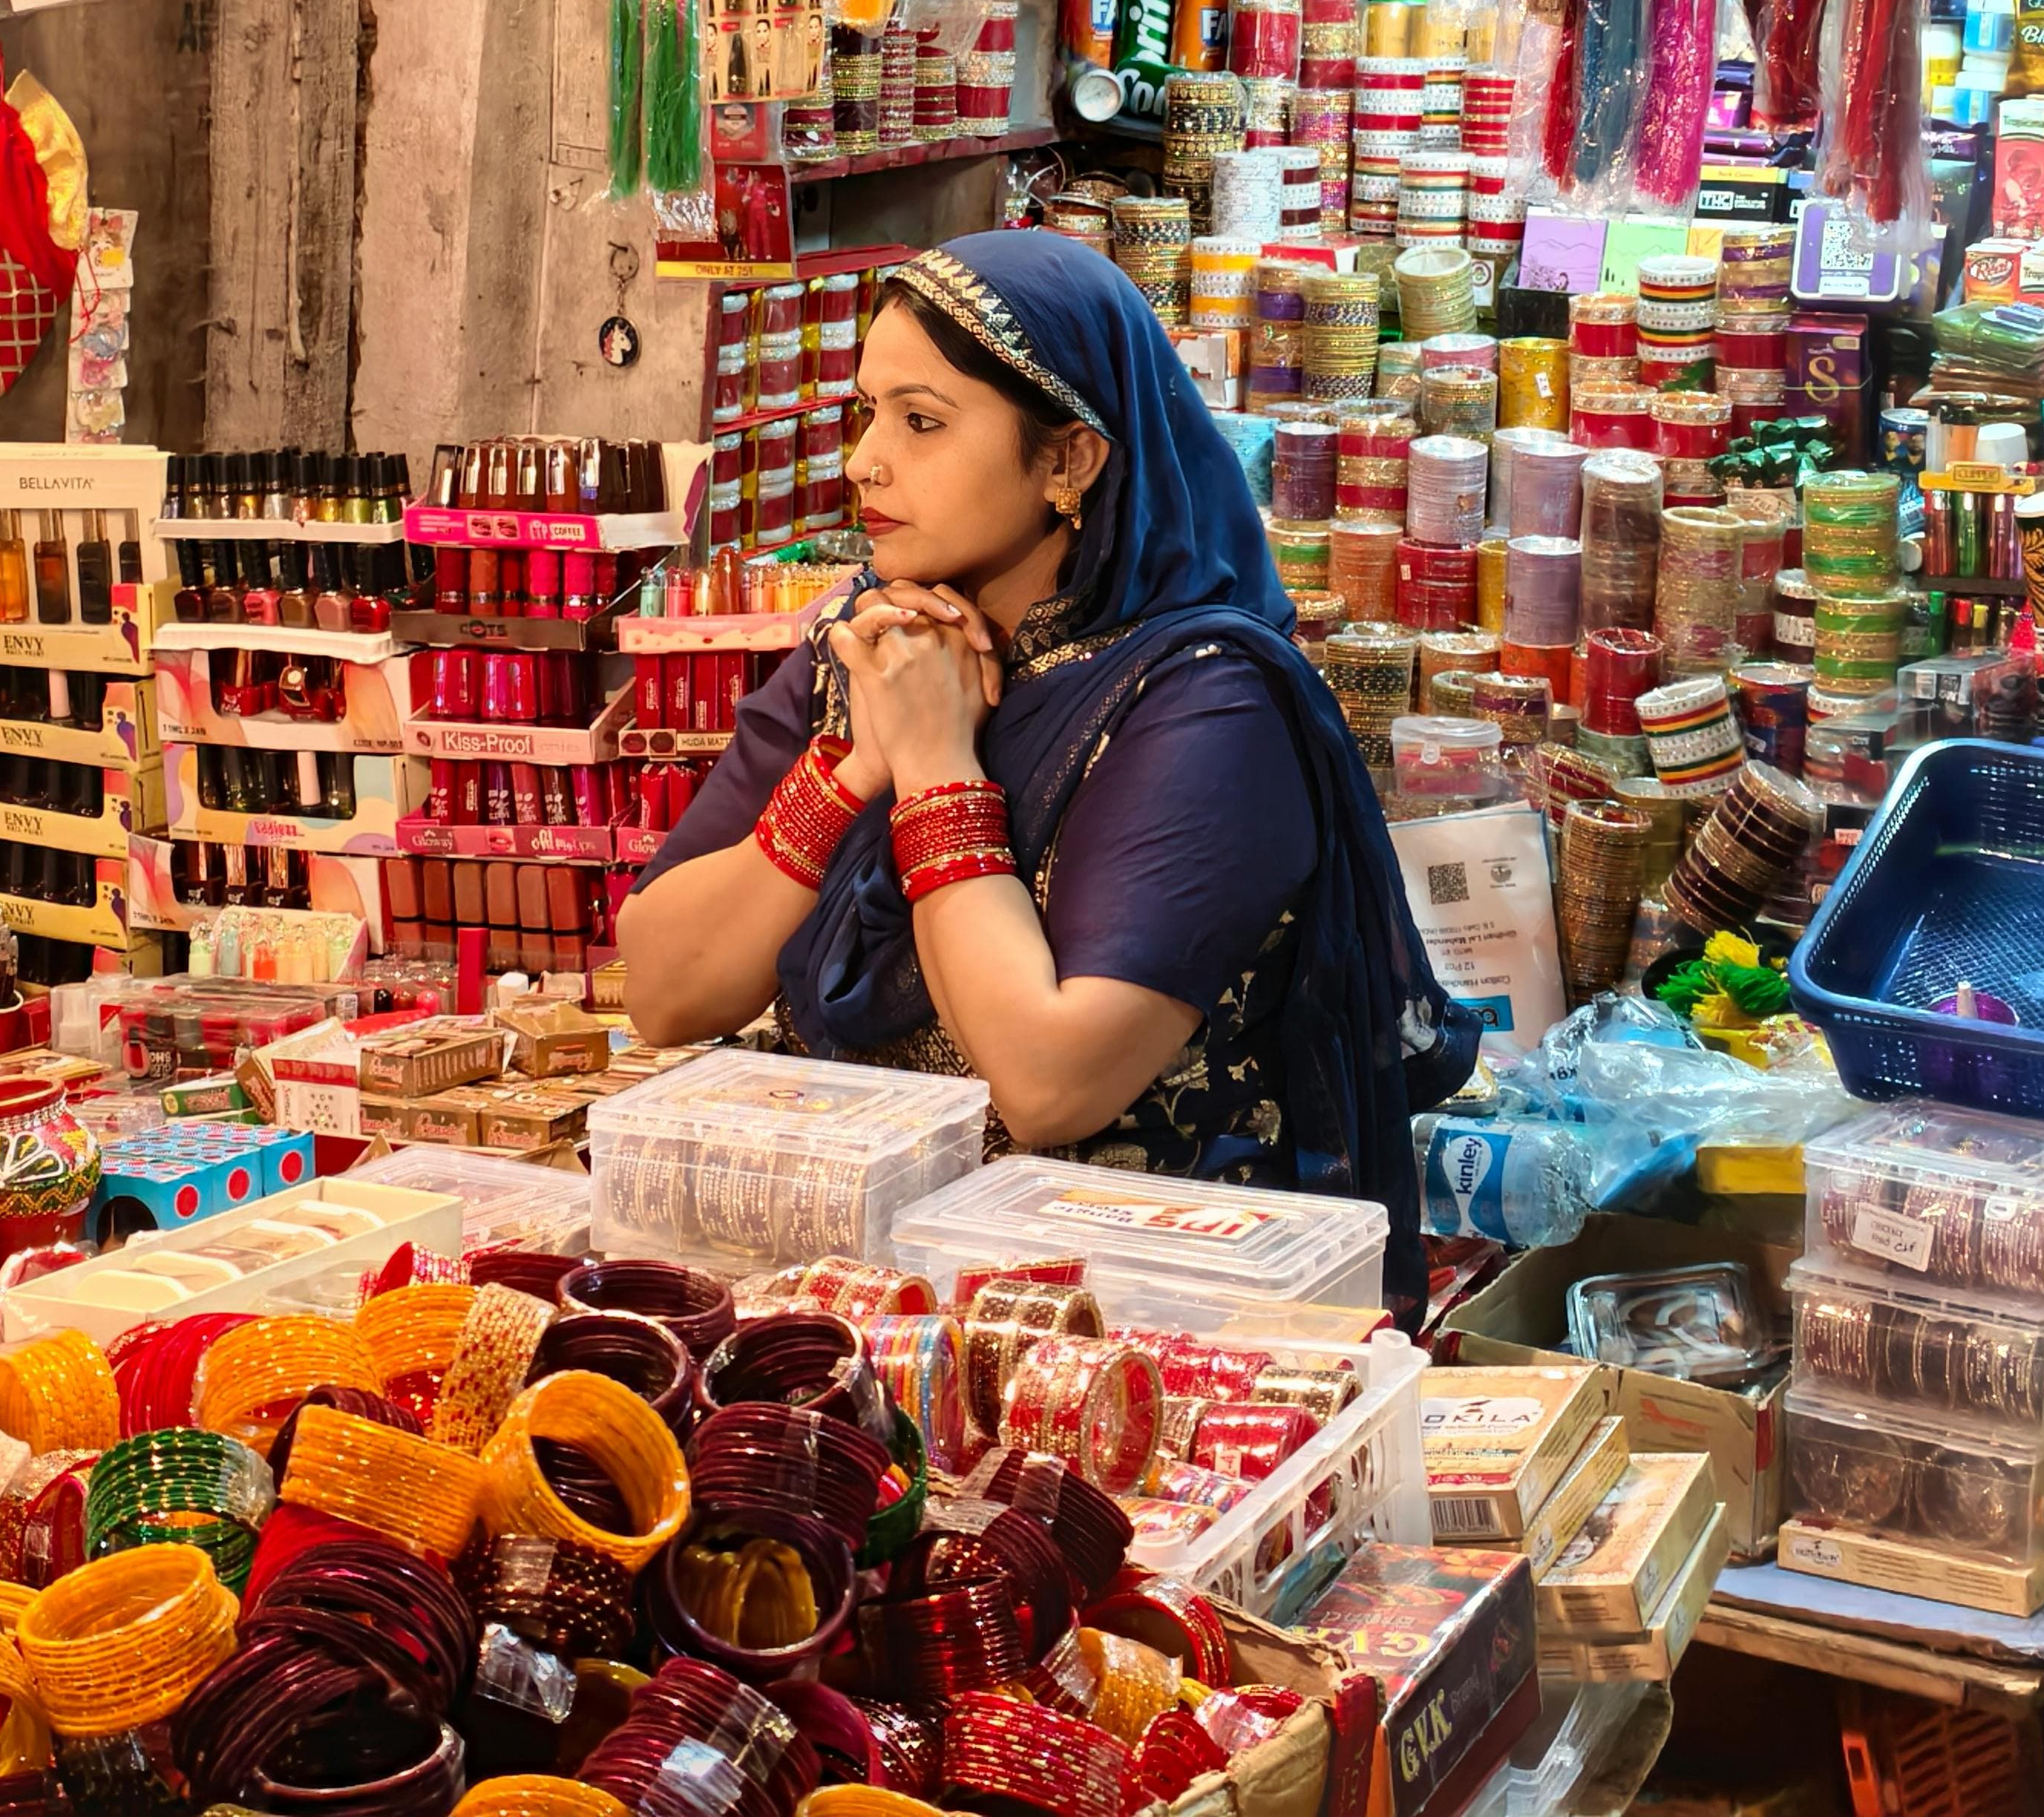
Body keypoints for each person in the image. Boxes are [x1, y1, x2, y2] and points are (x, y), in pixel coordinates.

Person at [618, 228, 1476, 1318]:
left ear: (1069, 460)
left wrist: (931, 767)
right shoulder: (874, 645)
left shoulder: (1205, 702)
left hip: (1131, 1330)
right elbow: (664, 988)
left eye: (921, 422)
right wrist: (850, 765)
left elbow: (1049, 1082)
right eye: (866, 414)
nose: (863, 461)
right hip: (872, 1291)